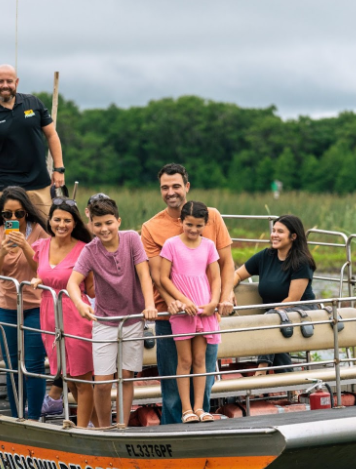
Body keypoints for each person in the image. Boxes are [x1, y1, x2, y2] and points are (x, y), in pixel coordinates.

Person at [140, 163, 235, 425]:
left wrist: (223, 298)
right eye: (165, 187)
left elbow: (225, 264)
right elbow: (157, 274)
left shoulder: (211, 216)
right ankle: (174, 434)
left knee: (204, 376)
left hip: (206, 310)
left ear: (187, 187)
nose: (171, 192)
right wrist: (174, 301)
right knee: (173, 383)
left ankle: (201, 424)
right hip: (170, 316)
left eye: (176, 186)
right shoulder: (151, 228)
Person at [67, 198, 157, 427]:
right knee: (103, 382)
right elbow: (72, 283)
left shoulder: (131, 239)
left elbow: (144, 275)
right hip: (105, 320)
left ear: (118, 221)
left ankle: (123, 425)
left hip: (133, 318)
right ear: (91, 225)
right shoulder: (90, 250)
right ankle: (104, 427)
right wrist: (80, 303)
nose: (104, 229)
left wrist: (149, 304)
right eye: (97, 224)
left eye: (108, 223)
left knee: (126, 377)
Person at [31, 198, 96, 428]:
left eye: (67, 220)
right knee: (68, 379)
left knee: (82, 380)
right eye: (57, 219)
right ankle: (96, 426)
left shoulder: (84, 249)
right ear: (50, 221)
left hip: (75, 313)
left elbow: (91, 288)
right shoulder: (41, 246)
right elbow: (42, 271)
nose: (61, 224)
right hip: (49, 315)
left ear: (74, 222)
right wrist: (39, 279)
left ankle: (82, 430)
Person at [0, 186, 49, 419]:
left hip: (35, 306)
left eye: (19, 214)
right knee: (12, 368)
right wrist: (2, 251)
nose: (13, 219)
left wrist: (24, 245)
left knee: (33, 366)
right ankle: (16, 418)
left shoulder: (40, 232)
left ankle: (34, 419)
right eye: (7, 215)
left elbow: (42, 268)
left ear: (27, 213)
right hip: (7, 307)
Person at [0, 64, 65, 218]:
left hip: (41, 185)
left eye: (9, 81)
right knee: (12, 236)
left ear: (17, 82)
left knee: (45, 234)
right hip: (8, 190)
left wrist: (59, 168)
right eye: (0, 81)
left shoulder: (33, 103)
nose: (5, 85)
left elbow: (52, 135)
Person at [159, 201, 221, 423]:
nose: (193, 230)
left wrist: (214, 301)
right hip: (183, 312)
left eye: (198, 225)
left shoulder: (209, 246)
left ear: (205, 224)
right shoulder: (171, 245)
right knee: (183, 361)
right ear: (181, 222)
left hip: (204, 310)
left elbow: (216, 277)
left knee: (200, 360)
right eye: (189, 224)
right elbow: (162, 278)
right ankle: (186, 410)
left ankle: (200, 408)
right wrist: (183, 301)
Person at [233, 214, 317, 375]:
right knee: (276, 330)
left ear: (293, 236)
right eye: (274, 231)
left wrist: (270, 316)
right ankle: (291, 385)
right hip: (277, 316)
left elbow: (293, 299)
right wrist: (229, 292)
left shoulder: (302, 262)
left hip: (302, 311)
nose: (274, 235)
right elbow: (237, 275)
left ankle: (262, 369)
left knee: (273, 320)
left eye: (280, 231)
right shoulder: (266, 256)